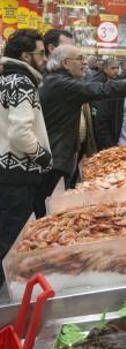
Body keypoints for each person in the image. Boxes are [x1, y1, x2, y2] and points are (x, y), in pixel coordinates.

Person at [38, 45, 126, 214]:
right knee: (50, 211)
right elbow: (102, 90)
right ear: (66, 63)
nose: (85, 63)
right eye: (80, 59)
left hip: (61, 158)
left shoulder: (58, 81)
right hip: (57, 160)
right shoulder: (61, 84)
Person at [0, 30, 51, 274]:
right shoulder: (21, 82)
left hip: (5, 173)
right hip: (17, 174)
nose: (44, 58)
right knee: (12, 241)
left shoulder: (4, 79)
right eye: (40, 53)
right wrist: (43, 156)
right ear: (25, 56)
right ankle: (7, 300)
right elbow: (20, 133)